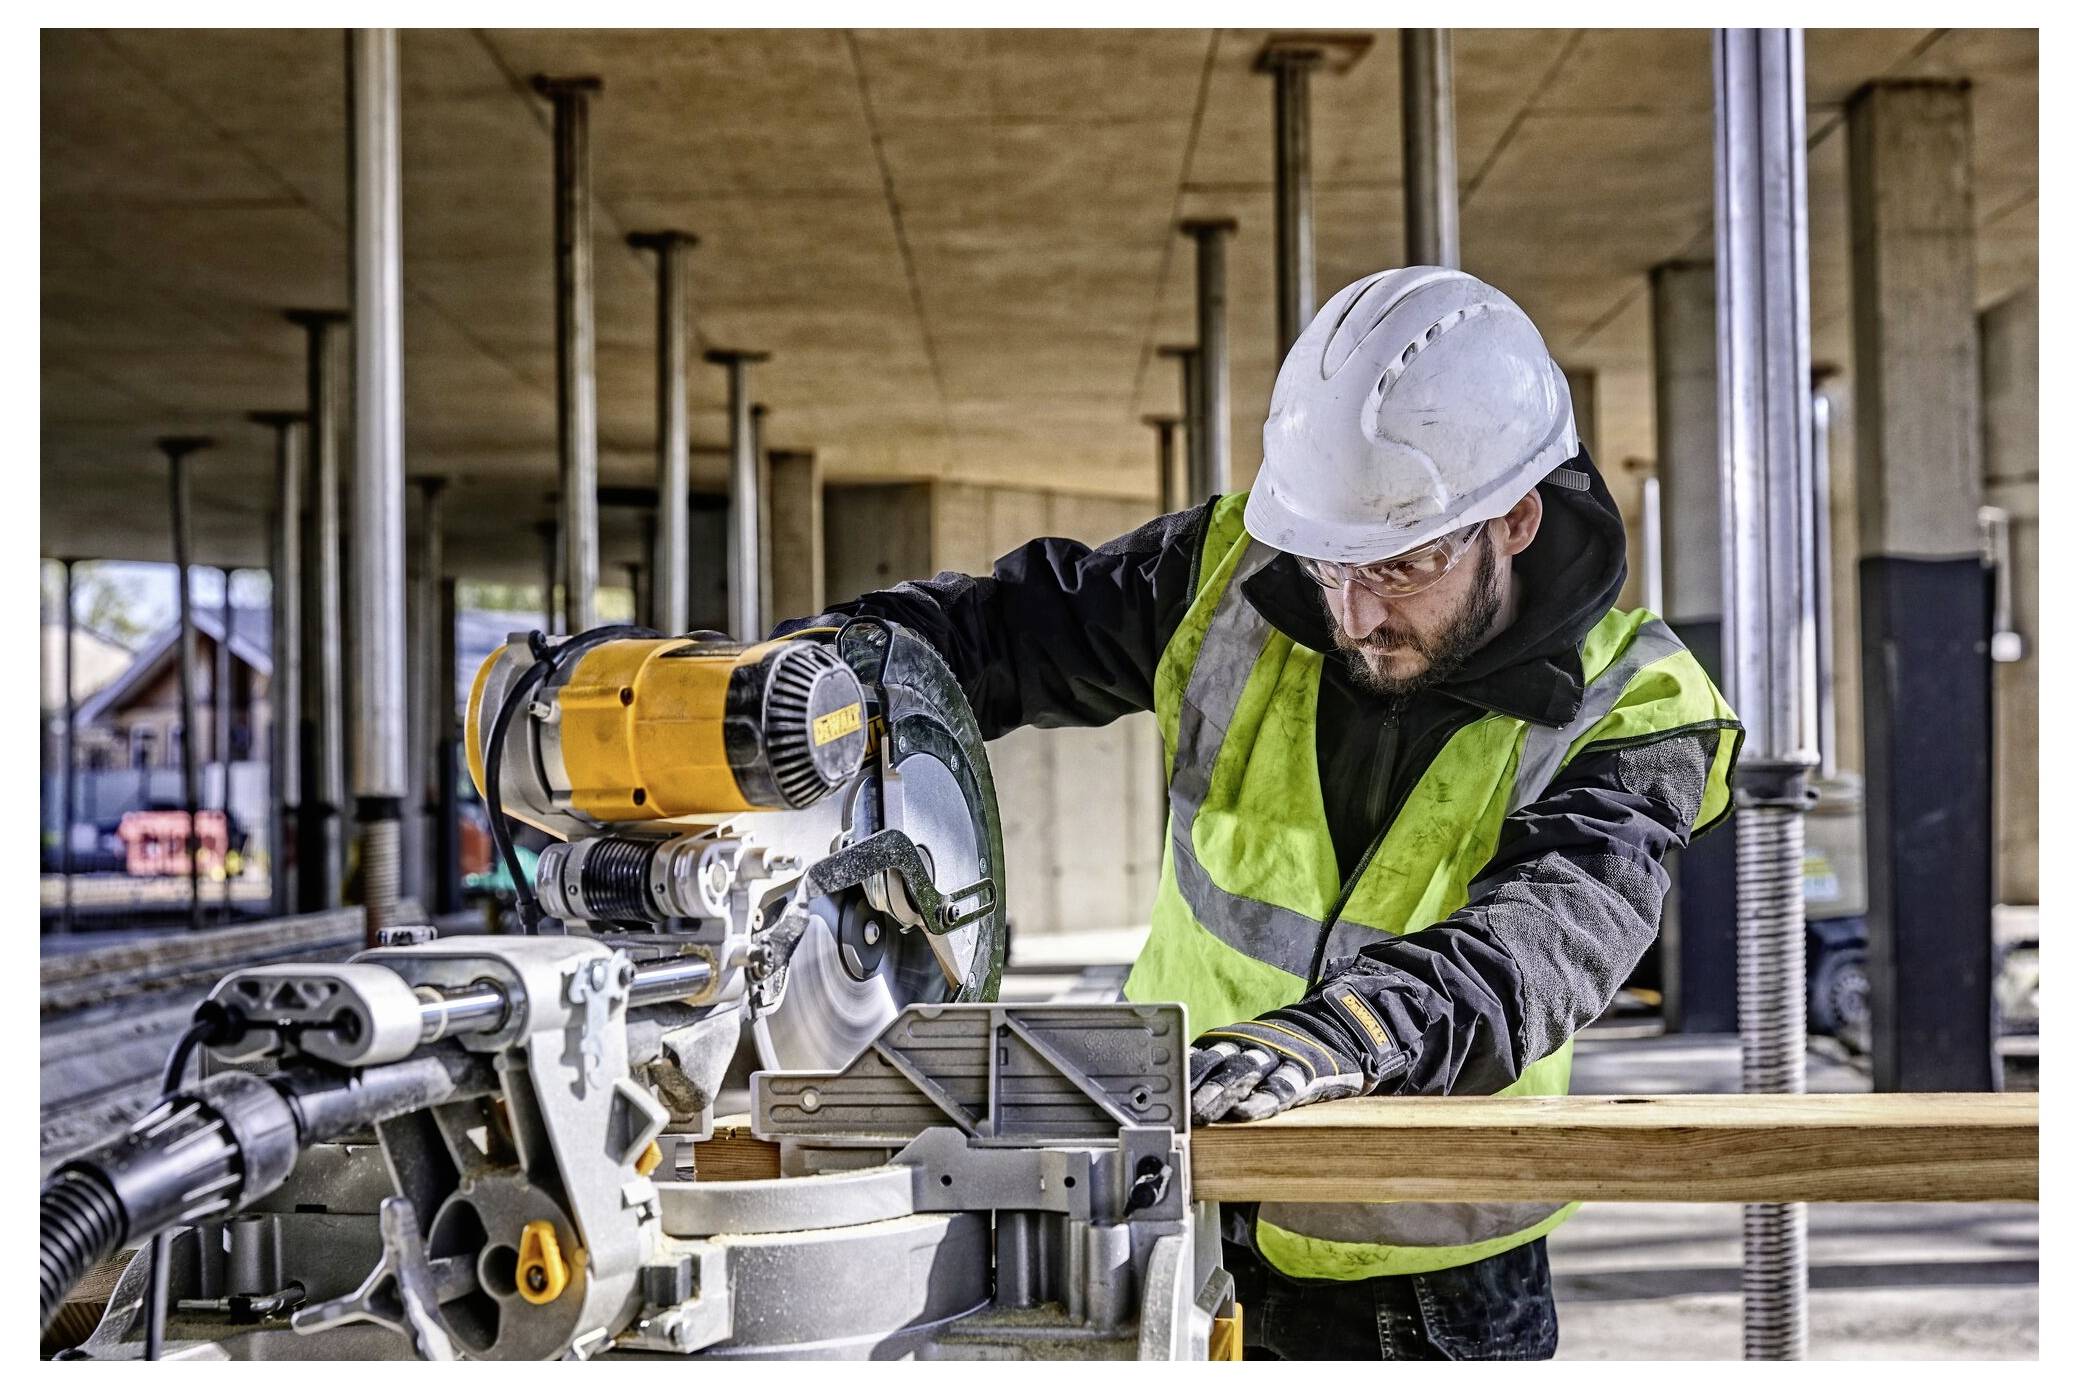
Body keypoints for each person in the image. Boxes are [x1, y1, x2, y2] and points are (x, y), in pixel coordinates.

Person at [785, 267, 1740, 1359]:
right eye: (1333, 563)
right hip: (1183, 1207)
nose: (1358, 613)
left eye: (1405, 563)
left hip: (1422, 1285)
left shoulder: (1639, 704)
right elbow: (995, 634)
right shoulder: (1232, 577)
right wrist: (803, 678)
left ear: (1514, 518)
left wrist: (1357, 1029)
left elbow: (1551, 932)